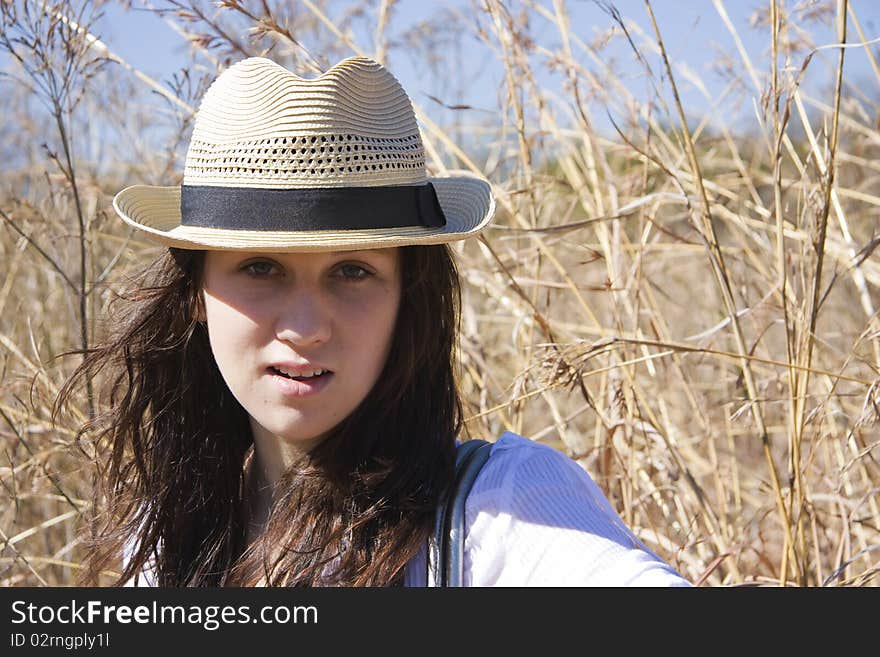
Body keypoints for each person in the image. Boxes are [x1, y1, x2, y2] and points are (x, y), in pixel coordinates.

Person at [55, 56, 690, 587]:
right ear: (196, 293)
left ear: (406, 296)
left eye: (352, 271)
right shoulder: (162, 537)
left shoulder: (497, 514)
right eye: (260, 267)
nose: (305, 327)